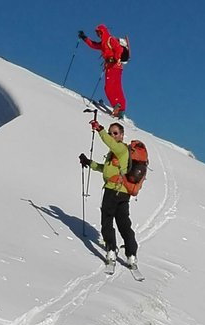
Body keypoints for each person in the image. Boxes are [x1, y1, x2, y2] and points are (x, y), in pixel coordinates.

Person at [79, 121, 138, 267]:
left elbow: (110, 143)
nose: (112, 135)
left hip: (113, 190)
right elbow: (105, 170)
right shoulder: (116, 153)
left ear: (122, 135)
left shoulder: (121, 149)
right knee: (123, 223)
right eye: (111, 133)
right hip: (122, 192)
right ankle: (131, 255)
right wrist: (89, 162)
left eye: (115, 133)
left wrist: (100, 129)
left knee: (107, 221)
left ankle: (111, 250)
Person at [78, 24, 126, 119]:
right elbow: (93, 45)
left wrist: (114, 59)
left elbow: (118, 49)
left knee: (109, 87)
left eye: (99, 32)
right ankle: (120, 107)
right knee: (116, 86)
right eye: (97, 33)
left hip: (113, 66)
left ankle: (117, 106)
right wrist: (84, 38)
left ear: (103, 32)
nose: (98, 35)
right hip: (115, 66)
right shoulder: (104, 42)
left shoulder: (110, 40)